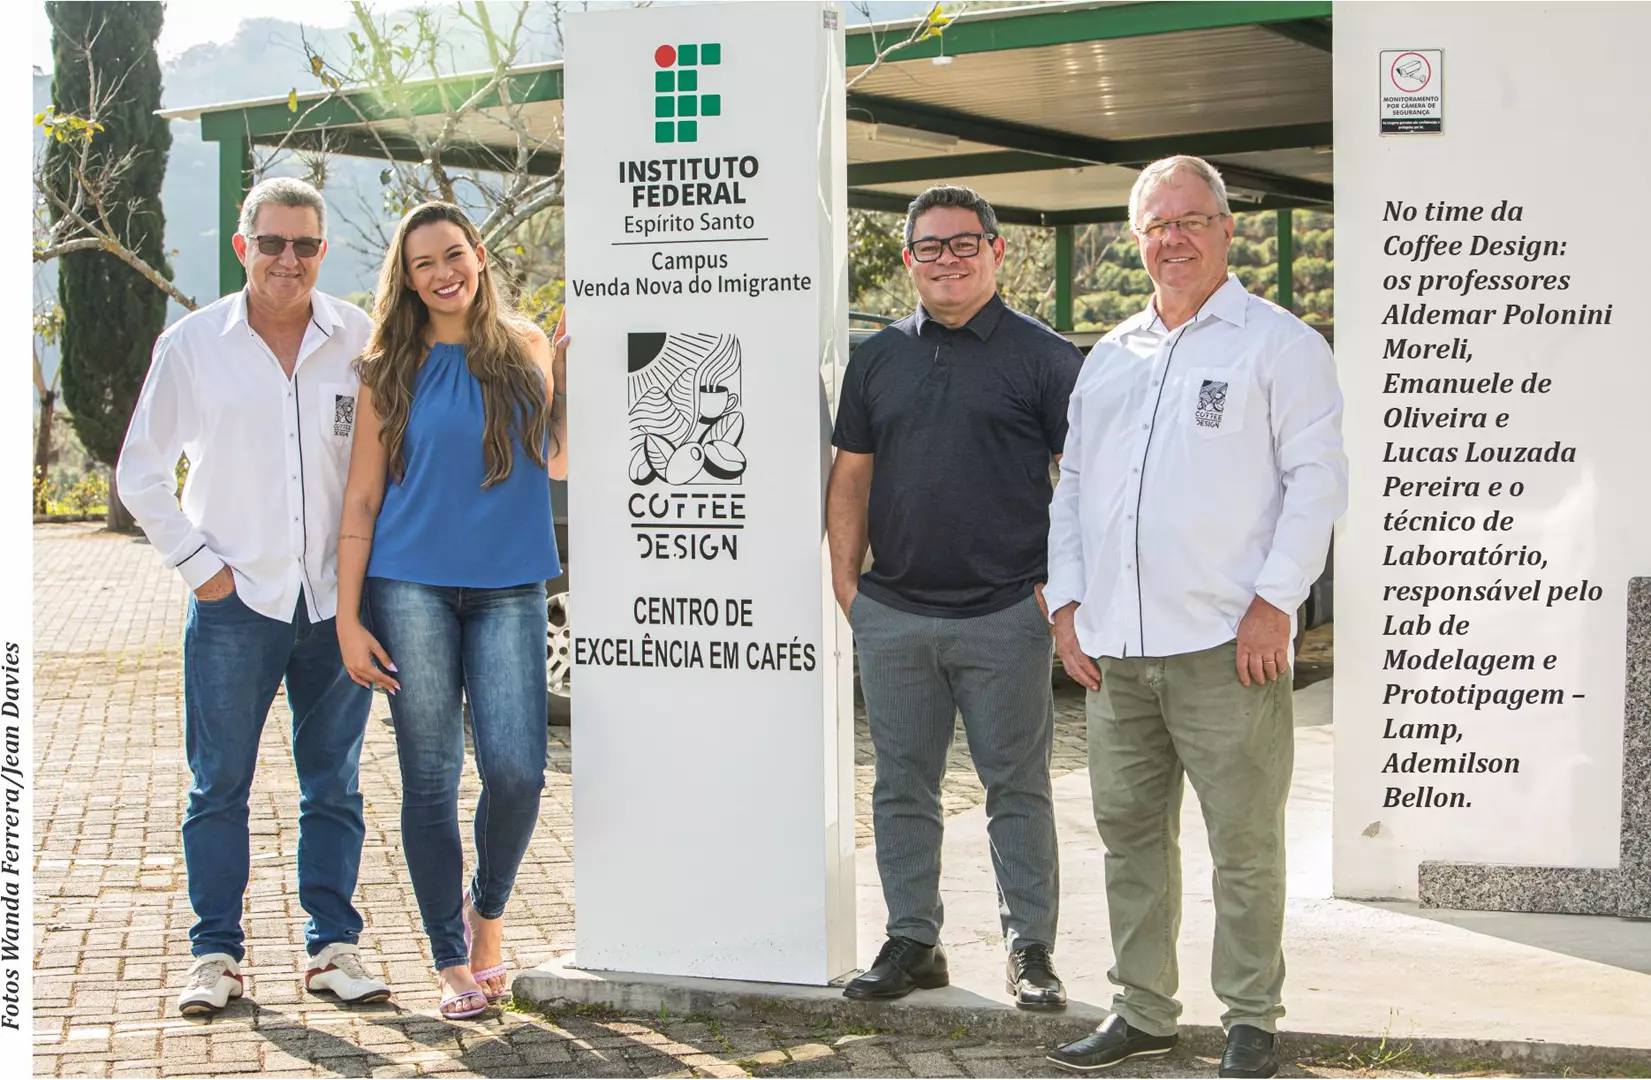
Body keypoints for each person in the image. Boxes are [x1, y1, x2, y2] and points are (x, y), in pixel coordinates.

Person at [1042, 157, 1347, 1079]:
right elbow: (1075, 489)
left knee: (1243, 847)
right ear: (1137, 239)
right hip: (1116, 654)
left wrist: (1273, 604)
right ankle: (1141, 1011)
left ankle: (1250, 1017)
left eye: (1190, 220)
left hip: (1229, 649)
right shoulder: (1111, 354)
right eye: (1154, 225)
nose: (1171, 238)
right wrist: (1065, 605)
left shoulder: (1277, 344)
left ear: (1223, 227)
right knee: (1131, 842)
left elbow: (1316, 482)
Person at [117, 177, 393, 1016]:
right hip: (235, 604)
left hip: (335, 604)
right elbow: (140, 471)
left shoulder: (361, 340)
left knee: (335, 785)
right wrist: (203, 567)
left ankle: (333, 948)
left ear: (320, 251)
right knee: (219, 785)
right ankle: (215, 957)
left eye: (305, 244)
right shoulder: (195, 345)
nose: (289, 259)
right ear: (243, 247)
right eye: (272, 243)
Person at [827, 185, 1083, 1010]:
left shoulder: (1045, 356)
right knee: (901, 786)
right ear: (908, 259)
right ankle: (913, 940)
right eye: (929, 246)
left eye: (964, 243)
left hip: (1005, 614)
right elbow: (851, 478)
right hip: (895, 613)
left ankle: (1030, 951)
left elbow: (1080, 484)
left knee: (1017, 786)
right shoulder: (876, 359)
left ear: (996, 251)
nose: (947, 259)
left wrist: (1054, 594)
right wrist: (849, 589)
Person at [335, 201, 566, 1020]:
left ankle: (487, 915)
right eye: (425, 261)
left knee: (517, 772)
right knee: (429, 779)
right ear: (407, 276)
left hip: (510, 583)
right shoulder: (385, 370)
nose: (444, 272)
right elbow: (360, 501)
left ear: (478, 257)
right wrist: (348, 617)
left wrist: (565, 376)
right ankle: (449, 962)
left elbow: (561, 457)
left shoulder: (526, 346)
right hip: (408, 587)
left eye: (455, 254)